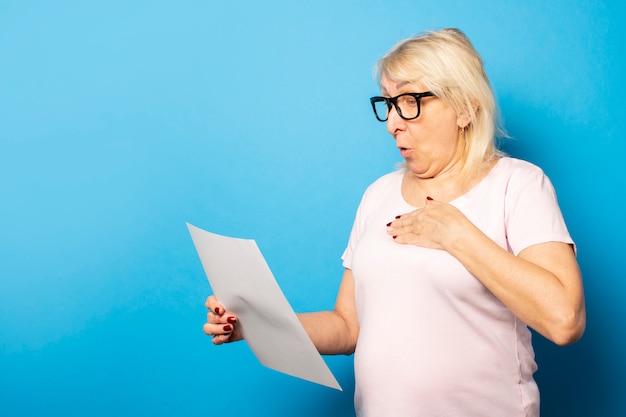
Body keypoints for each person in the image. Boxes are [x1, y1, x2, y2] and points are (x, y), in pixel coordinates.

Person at [203, 28, 586, 417]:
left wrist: (458, 235)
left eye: (409, 102)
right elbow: (347, 326)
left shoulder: (517, 184)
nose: (392, 123)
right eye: (387, 103)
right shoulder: (377, 194)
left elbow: (564, 320)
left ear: (466, 107)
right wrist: (254, 324)